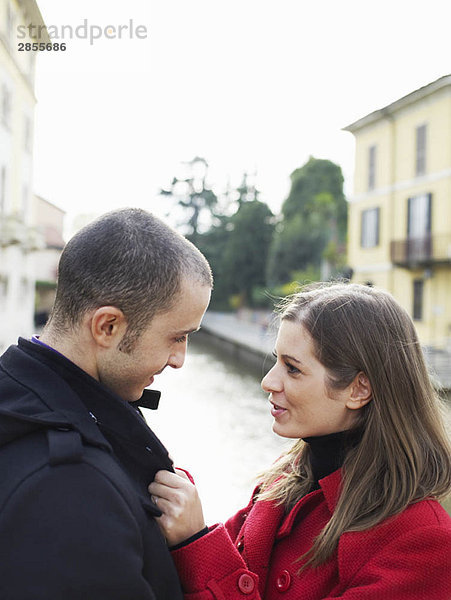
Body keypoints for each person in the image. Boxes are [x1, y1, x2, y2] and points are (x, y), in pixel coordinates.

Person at [149, 283, 451, 600]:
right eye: (277, 360)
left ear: (358, 390)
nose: (268, 381)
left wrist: (194, 541)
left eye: (292, 369)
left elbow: (212, 567)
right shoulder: (284, 480)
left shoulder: (422, 540)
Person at [0, 208, 212, 600]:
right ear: (107, 326)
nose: (180, 358)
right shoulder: (69, 492)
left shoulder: (19, 397)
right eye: (177, 337)